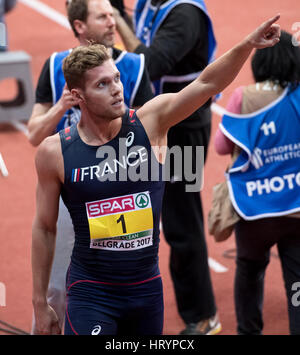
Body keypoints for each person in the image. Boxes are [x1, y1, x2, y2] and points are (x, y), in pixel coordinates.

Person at [31, 15, 281, 335]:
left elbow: (207, 84)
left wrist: (248, 45)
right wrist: (40, 302)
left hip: (146, 291)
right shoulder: (55, 152)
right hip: (91, 292)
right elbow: (43, 227)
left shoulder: (150, 122)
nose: (117, 90)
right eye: (102, 84)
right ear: (77, 97)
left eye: (117, 78)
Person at [28, 0, 153, 333]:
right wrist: (63, 105)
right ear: (80, 26)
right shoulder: (56, 65)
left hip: (121, 187)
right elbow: (33, 134)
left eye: (114, 15)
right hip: (73, 186)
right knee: (56, 288)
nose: (113, 22)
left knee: (121, 276)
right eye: (103, 16)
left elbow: (144, 129)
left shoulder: (134, 66)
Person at [113, 0, 220, 334]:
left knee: (181, 221)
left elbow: (150, 63)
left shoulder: (185, 12)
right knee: (151, 212)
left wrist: (115, 17)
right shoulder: (152, 2)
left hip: (184, 129)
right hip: (159, 123)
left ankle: (204, 316)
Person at [214, 30, 300, 335]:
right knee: (298, 284)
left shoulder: (244, 97)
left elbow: (221, 147)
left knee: (249, 273)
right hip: (296, 207)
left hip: (253, 209)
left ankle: (249, 331)